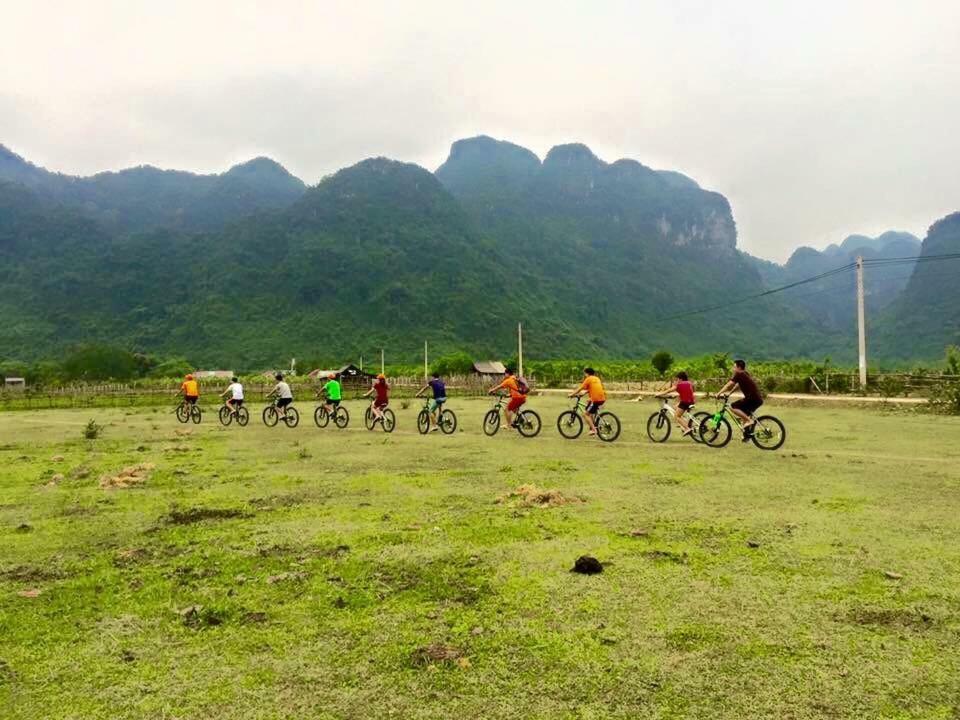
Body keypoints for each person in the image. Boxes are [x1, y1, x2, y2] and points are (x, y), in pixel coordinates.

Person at [716, 359, 763, 439]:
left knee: (732, 406)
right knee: (744, 414)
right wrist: (730, 393)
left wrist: (718, 393)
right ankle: (747, 436)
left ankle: (749, 421)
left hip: (751, 398)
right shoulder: (745, 373)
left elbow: (729, 385)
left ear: (739, 367)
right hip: (757, 399)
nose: (733, 369)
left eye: (734, 367)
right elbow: (737, 385)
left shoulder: (739, 374)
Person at [655, 371, 695, 435]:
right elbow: (688, 392)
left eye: (677, 379)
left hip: (685, 402)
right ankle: (683, 423)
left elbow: (668, 391)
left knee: (676, 416)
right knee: (675, 407)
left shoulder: (678, 385)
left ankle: (687, 428)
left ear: (681, 379)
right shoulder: (690, 383)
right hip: (691, 401)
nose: (677, 380)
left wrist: (659, 394)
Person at [570, 367, 606, 436]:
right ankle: (593, 426)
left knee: (585, 414)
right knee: (589, 407)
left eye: (584, 373)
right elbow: (595, 388)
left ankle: (594, 430)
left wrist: (571, 394)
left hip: (595, 399)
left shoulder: (588, 379)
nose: (584, 375)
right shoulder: (596, 378)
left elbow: (580, 388)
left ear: (587, 373)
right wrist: (585, 392)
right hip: (602, 398)